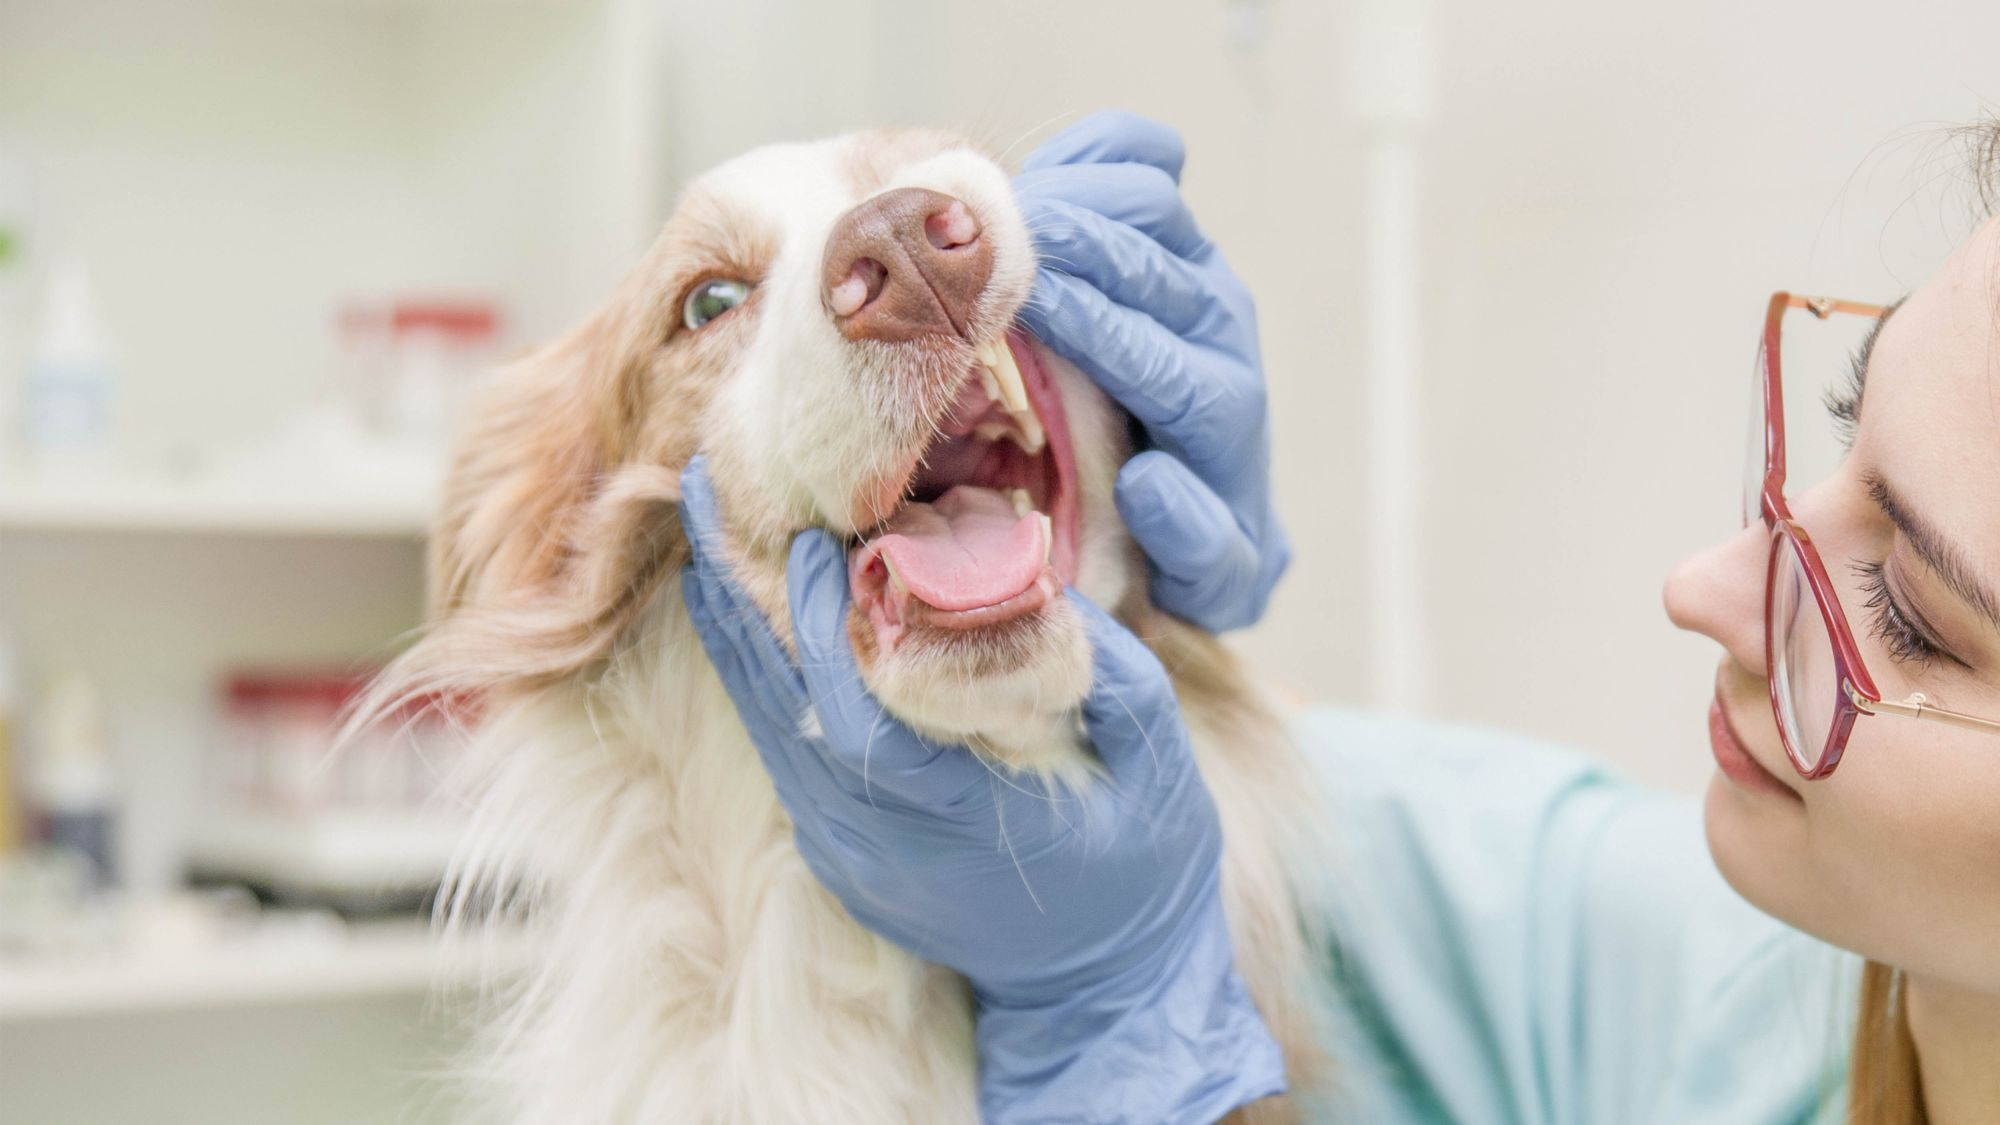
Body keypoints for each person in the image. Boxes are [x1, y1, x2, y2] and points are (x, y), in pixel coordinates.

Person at [677, 111, 2000, 1124]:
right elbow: (1395, 853)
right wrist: (1147, 641)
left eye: (1913, 613)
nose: (1700, 588)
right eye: (1841, 420)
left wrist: (1121, 1028)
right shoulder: (1716, 990)